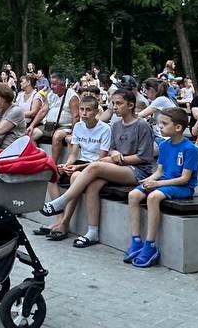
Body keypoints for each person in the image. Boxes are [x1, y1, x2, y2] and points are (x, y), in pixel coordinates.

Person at [36, 88, 155, 246]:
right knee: (92, 186)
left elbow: (144, 157)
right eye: (113, 103)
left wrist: (120, 158)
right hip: (116, 166)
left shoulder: (142, 125)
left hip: (137, 171)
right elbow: (112, 149)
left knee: (96, 166)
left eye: (119, 104)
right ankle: (93, 232)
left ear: (131, 105)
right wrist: (114, 153)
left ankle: (61, 202)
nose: (115, 107)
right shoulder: (116, 125)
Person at [124, 107, 198, 269]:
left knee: (153, 197)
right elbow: (159, 171)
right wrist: (147, 180)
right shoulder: (164, 145)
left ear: (178, 127)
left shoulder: (190, 149)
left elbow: (184, 179)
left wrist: (157, 184)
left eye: (164, 124)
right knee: (133, 195)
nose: (160, 126)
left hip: (182, 187)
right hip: (164, 183)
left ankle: (150, 245)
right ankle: (136, 240)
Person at [37, 95, 112, 247]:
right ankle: (59, 219)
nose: (84, 113)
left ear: (96, 111)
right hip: (80, 163)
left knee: (75, 177)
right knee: (52, 174)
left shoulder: (105, 129)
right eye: (82, 109)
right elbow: (73, 154)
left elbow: (101, 159)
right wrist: (66, 165)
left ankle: (64, 223)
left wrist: (77, 168)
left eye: (88, 110)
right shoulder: (78, 126)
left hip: (95, 166)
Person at [37, 74, 80, 160]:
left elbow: (75, 116)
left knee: (57, 136)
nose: (51, 87)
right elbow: (43, 111)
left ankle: (53, 163)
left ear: (62, 85)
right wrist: (31, 126)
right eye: (51, 84)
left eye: (54, 84)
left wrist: (74, 133)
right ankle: (39, 159)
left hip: (65, 127)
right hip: (50, 126)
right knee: (32, 134)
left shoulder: (72, 96)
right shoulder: (51, 94)